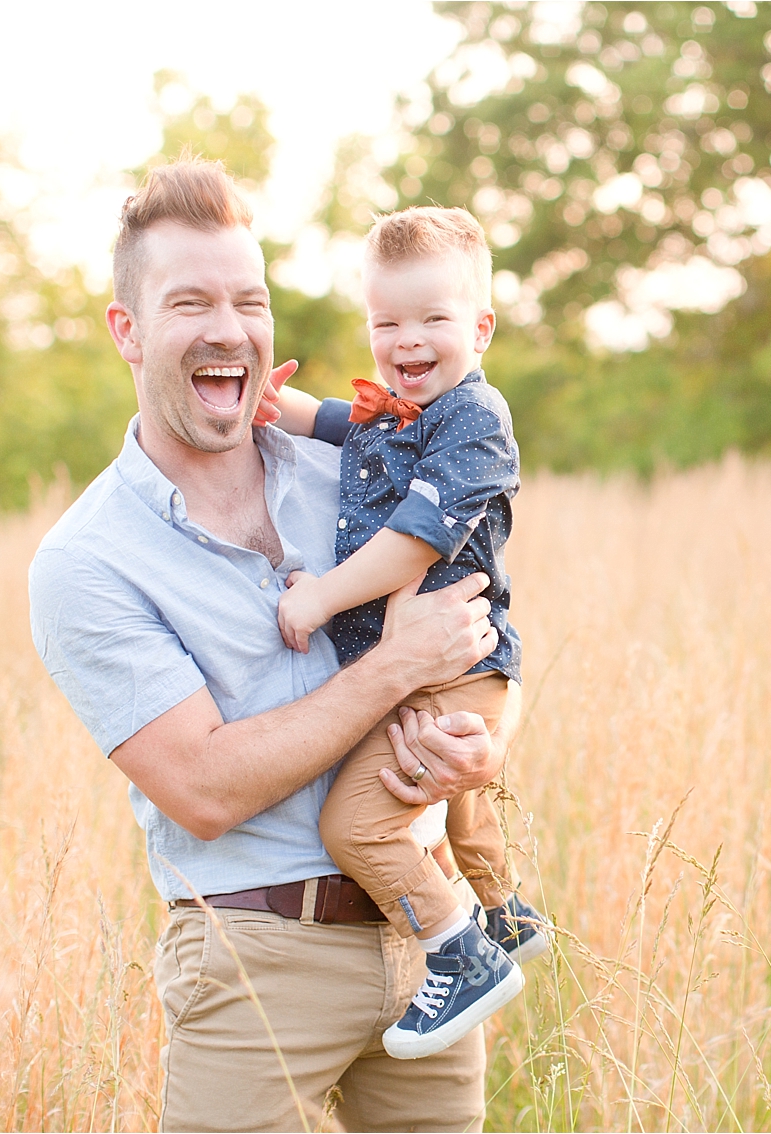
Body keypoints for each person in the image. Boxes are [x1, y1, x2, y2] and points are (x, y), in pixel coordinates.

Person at [28, 157, 512, 1132]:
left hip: (422, 938)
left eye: (249, 301)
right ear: (127, 329)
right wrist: (397, 669)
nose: (227, 328)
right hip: (255, 963)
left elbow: (476, 619)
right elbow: (204, 790)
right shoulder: (88, 560)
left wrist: (477, 747)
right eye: (189, 302)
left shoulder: (356, 470)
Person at [265, 206, 548, 1061]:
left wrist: (318, 602)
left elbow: (416, 539)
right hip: (439, 664)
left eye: (434, 319)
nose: (408, 339)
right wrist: (283, 409)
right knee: (461, 798)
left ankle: (458, 952)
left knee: (354, 828)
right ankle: (506, 914)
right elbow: (351, 428)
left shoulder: (474, 417)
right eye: (388, 321)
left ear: (481, 326)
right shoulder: (403, 412)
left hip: (453, 663)